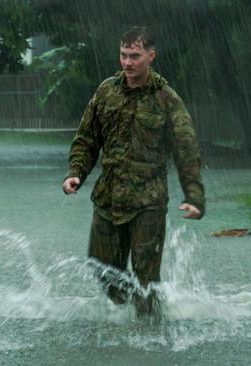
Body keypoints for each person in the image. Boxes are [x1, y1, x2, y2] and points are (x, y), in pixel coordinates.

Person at [62, 26, 205, 316]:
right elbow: (87, 138)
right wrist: (75, 172)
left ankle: (150, 330)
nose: (127, 63)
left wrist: (194, 195)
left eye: (135, 56)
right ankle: (138, 305)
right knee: (101, 270)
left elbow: (186, 149)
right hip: (108, 198)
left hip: (148, 202)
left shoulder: (167, 98)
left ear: (151, 56)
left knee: (145, 277)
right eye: (123, 55)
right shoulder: (106, 91)